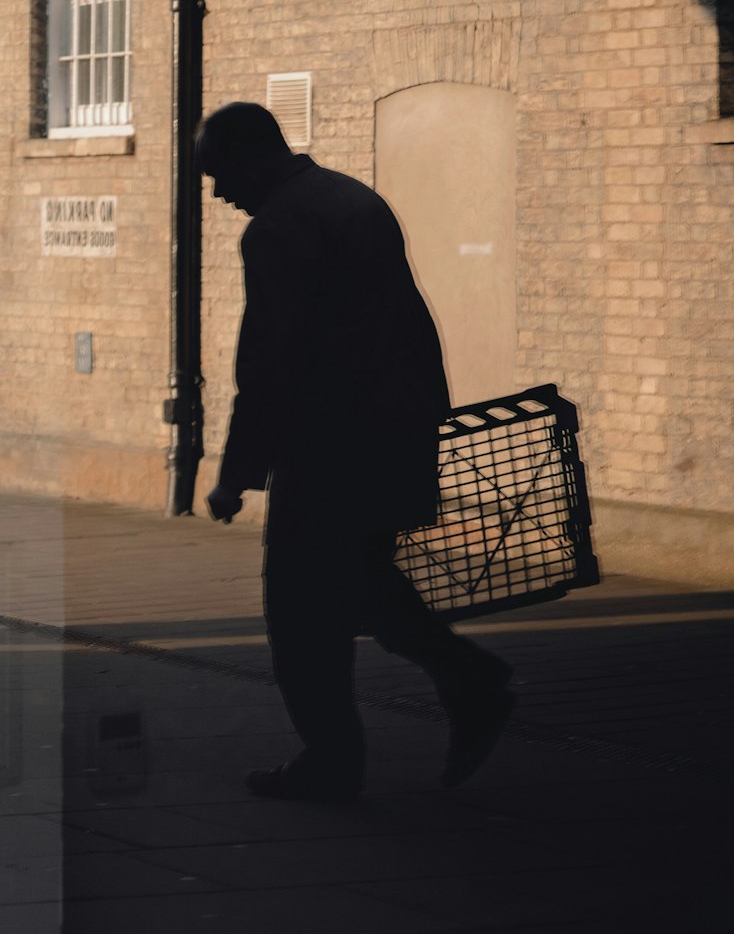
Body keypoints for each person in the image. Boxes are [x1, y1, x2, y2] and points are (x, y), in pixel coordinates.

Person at [196, 102, 513, 803]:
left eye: (219, 175)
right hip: (397, 428)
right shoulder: (355, 199)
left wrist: (236, 475)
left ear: (255, 157)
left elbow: (270, 363)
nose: (218, 194)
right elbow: (406, 319)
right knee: (359, 585)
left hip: (332, 444)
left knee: (298, 609)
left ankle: (338, 755)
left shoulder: (278, 229)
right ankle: (466, 682)